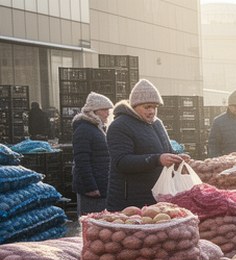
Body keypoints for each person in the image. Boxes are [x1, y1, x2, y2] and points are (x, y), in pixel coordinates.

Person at [106, 79, 186, 211]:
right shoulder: (119, 126)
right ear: (134, 106)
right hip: (130, 200)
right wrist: (157, 160)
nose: (152, 111)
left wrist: (177, 157)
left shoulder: (157, 123)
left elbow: (166, 150)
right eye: (147, 107)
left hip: (156, 196)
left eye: (155, 107)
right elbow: (121, 161)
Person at [72, 92, 114, 215]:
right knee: (90, 221)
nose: (107, 113)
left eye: (108, 110)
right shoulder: (84, 130)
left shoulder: (96, 129)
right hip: (91, 189)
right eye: (104, 110)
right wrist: (90, 187)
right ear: (94, 111)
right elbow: (82, 161)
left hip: (100, 186)